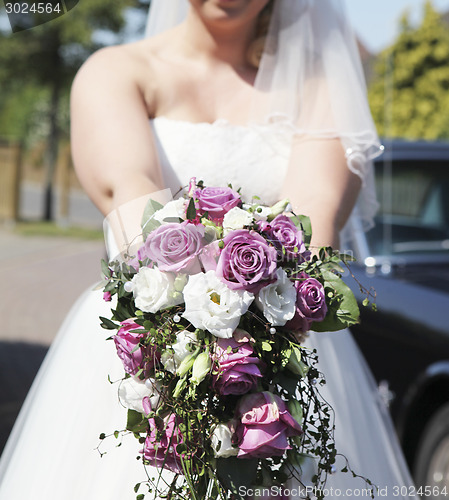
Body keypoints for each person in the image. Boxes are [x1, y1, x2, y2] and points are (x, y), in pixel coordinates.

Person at [0, 0, 415, 498]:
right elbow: (133, 204)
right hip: (149, 341)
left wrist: (250, 354)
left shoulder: (319, 89)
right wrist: (187, 343)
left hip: (286, 344)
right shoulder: (117, 73)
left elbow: (315, 219)